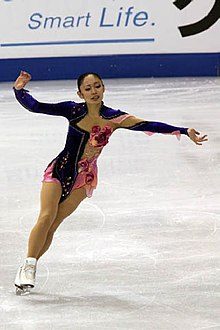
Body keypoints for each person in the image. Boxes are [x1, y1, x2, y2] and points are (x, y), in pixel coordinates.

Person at [13, 71, 208, 293]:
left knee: (54, 224)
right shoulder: (73, 110)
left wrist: (184, 130)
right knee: (46, 216)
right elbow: (37, 106)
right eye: (88, 89)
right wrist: (19, 91)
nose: (93, 91)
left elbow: (148, 124)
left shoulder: (114, 118)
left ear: (104, 88)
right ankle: (29, 265)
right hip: (59, 170)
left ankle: (29, 266)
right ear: (80, 93)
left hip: (83, 178)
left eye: (97, 86)